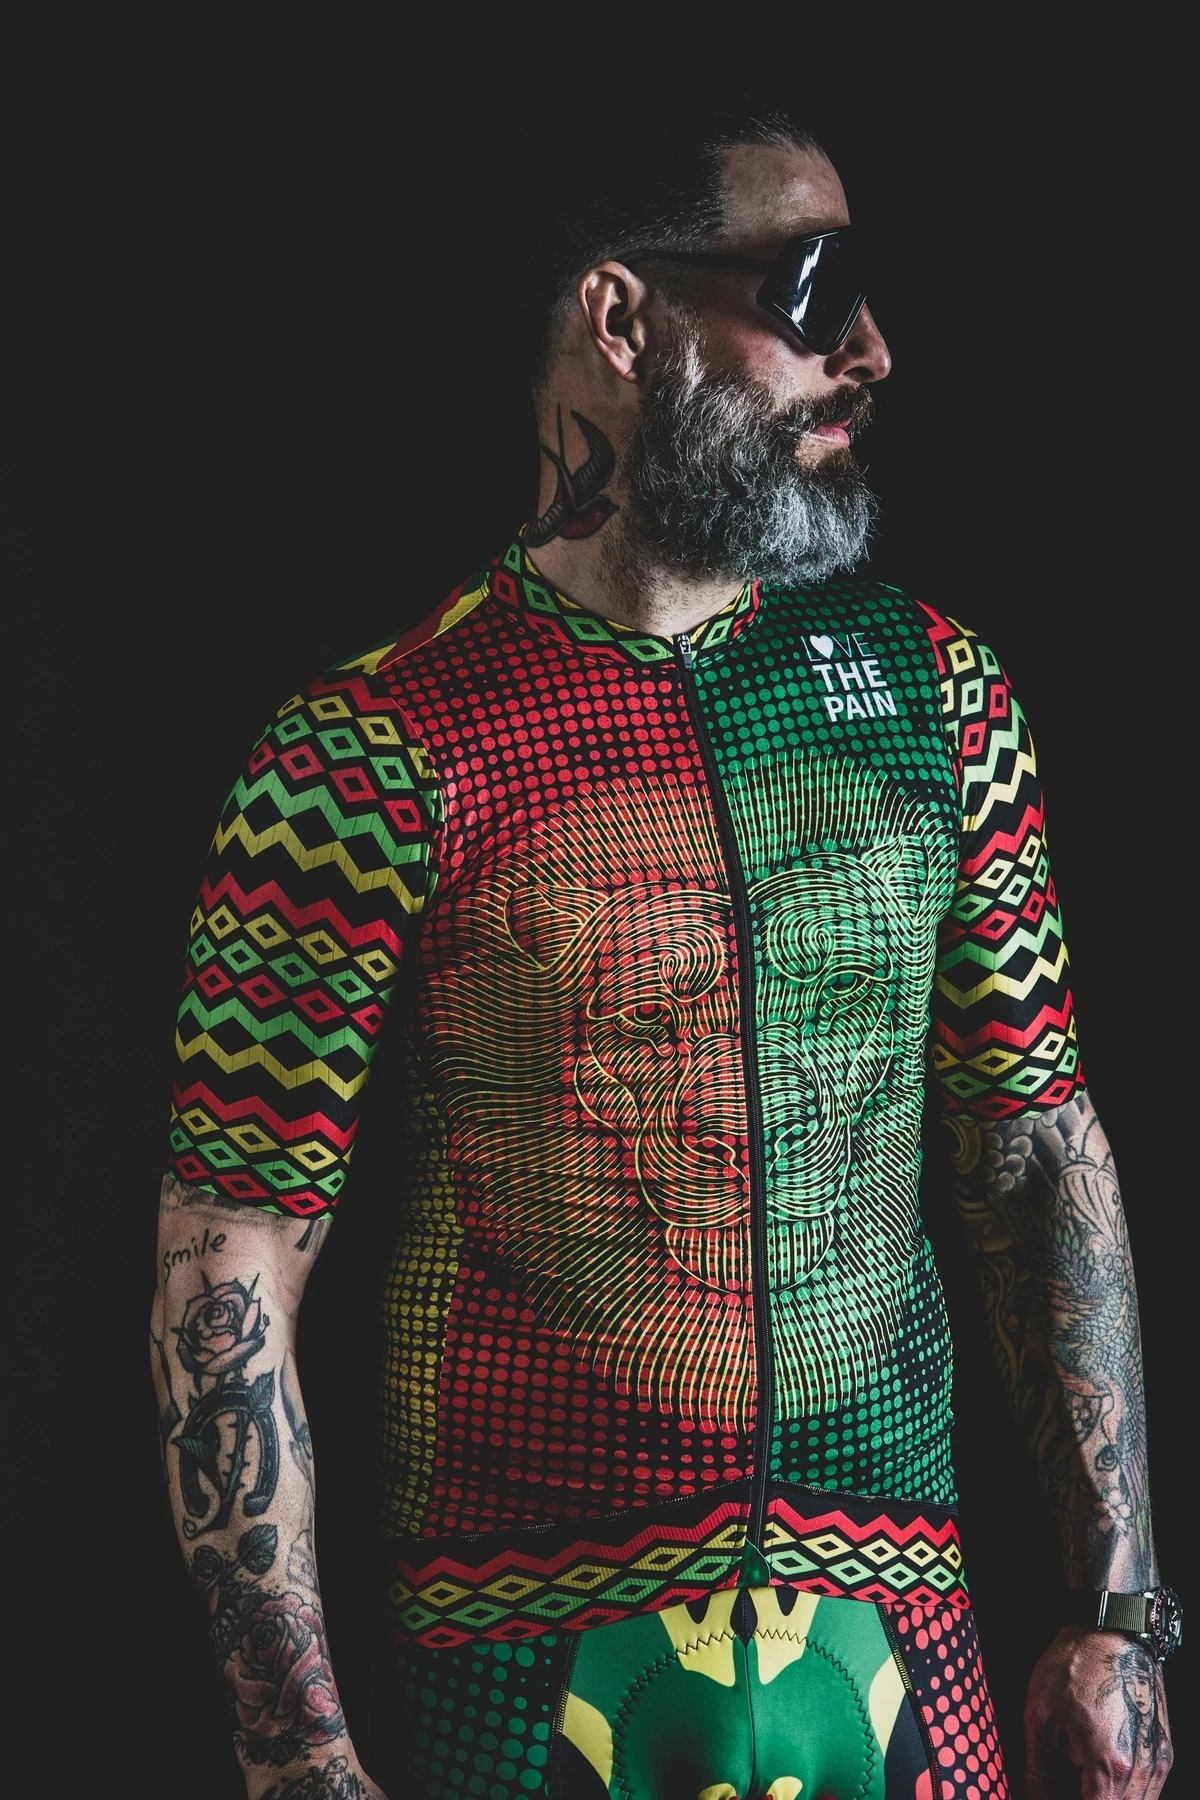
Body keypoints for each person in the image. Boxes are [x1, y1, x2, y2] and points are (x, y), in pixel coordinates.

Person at [149, 108, 1178, 1800]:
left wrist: (1119, 1609)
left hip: (902, 1642)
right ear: (623, 321)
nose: (871, 349)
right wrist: (296, 1750)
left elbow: (1037, 1148)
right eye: (811, 286)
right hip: (518, 1649)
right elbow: (231, 1249)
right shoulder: (369, 752)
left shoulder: (941, 696)